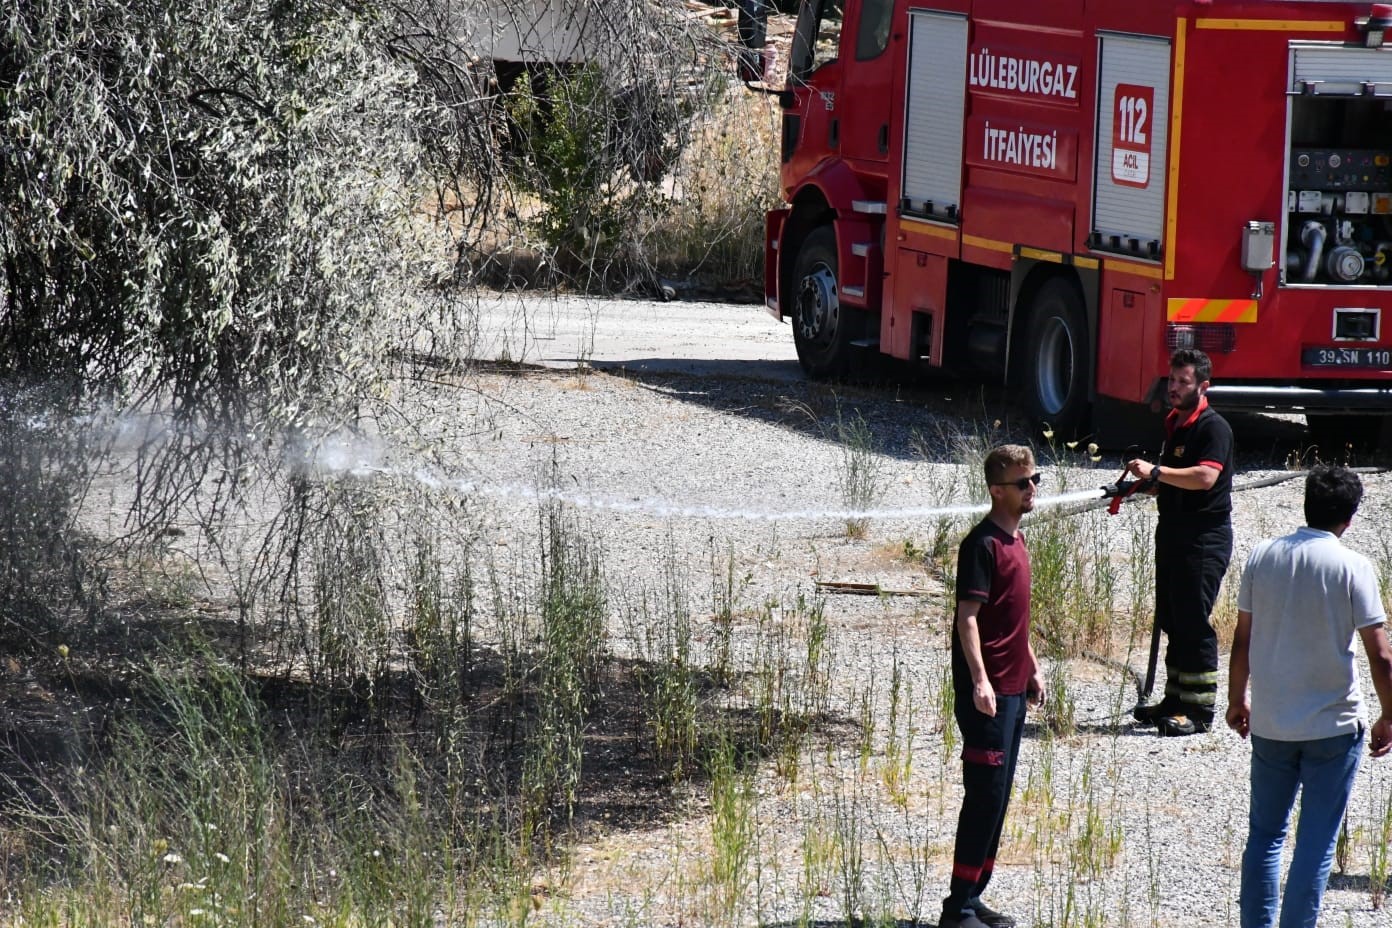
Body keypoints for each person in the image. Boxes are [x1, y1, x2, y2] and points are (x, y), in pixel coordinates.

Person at [1227, 464, 1392, 928]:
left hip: (1273, 721)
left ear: (1306, 503)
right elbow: (1380, 655)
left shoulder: (1262, 556)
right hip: (1333, 724)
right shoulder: (1354, 566)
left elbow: (1243, 639)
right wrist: (1389, 714)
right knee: (1315, 843)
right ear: (1350, 517)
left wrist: (1237, 698)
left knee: (1264, 837)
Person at [939, 444, 1046, 928]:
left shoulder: (1017, 542)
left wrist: (1032, 665)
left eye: (1034, 479)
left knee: (999, 799)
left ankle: (975, 896)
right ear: (996, 491)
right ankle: (956, 908)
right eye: (1023, 482)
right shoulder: (980, 545)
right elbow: (968, 620)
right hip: (988, 698)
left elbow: (1012, 620)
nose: (1032, 489)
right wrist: (980, 682)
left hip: (1013, 689)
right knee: (983, 797)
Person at [1126, 348, 1234, 736]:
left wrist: (1157, 470)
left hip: (1203, 538)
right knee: (1171, 617)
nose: (1173, 388)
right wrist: (1145, 483)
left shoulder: (1212, 427)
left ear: (1203, 386)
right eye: (1172, 380)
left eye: (1183, 382)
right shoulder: (1176, 423)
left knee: (1193, 620)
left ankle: (1200, 710)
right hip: (1173, 532)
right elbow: (1174, 478)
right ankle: (1175, 700)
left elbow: (1204, 477)